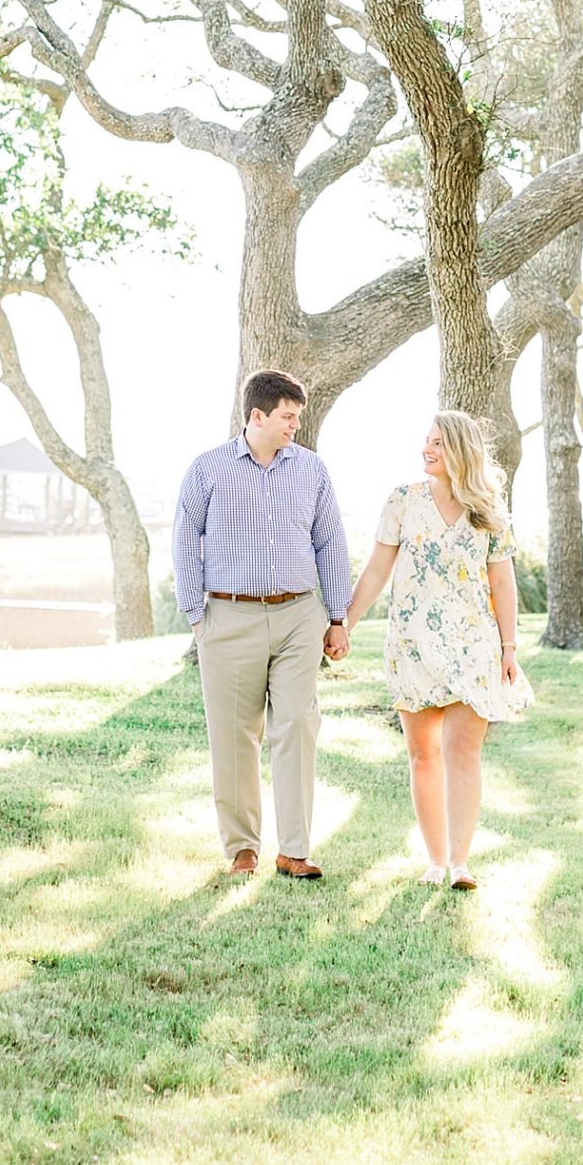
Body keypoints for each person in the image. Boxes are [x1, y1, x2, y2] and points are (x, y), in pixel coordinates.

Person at [173, 368, 353, 881]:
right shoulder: (207, 470)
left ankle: (294, 850)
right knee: (233, 736)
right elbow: (186, 540)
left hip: (299, 615)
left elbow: (330, 543)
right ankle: (242, 849)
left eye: (298, 417)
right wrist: (195, 615)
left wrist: (336, 617)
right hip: (227, 616)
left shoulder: (312, 470)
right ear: (257, 416)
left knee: (297, 724)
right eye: (288, 417)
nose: (296, 425)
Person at [343, 410, 532, 889]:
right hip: (412, 644)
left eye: (437, 444)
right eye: (426, 442)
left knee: (463, 753)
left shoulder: (487, 508)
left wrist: (509, 648)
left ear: (461, 451)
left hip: (474, 644)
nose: (426, 450)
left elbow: (502, 580)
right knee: (423, 755)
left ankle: (462, 863)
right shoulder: (403, 501)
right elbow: (376, 571)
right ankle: (435, 861)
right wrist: (342, 623)